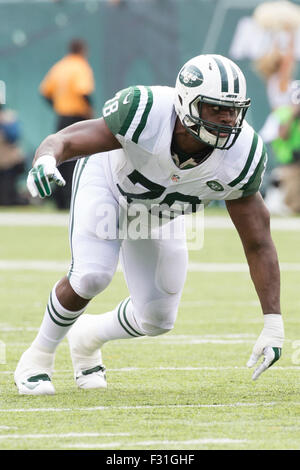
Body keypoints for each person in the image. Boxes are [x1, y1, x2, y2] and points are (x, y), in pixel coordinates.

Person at [14, 54, 284, 395]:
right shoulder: (145, 111)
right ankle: (38, 356)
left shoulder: (242, 154)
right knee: (92, 275)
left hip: (158, 215)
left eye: (234, 110)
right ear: (186, 102)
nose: (228, 119)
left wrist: (273, 323)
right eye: (216, 108)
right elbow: (67, 139)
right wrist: (46, 159)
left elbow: (258, 242)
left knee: (157, 319)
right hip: (108, 185)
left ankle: (87, 337)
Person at [39, 38, 95, 210]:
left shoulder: (60, 66)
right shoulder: (80, 66)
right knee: (76, 160)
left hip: (62, 117)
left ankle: (60, 201)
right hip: (77, 117)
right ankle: (72, 199)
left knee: (60, 158)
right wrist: (90, 111)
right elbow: (83, 91)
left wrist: (58, 105)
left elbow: (44, 92)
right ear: (83, 50)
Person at [0, 104, 26, 205]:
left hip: (9, 163)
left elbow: (13, 136)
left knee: (6, 198)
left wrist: (4, 123)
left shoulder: (8, 118)